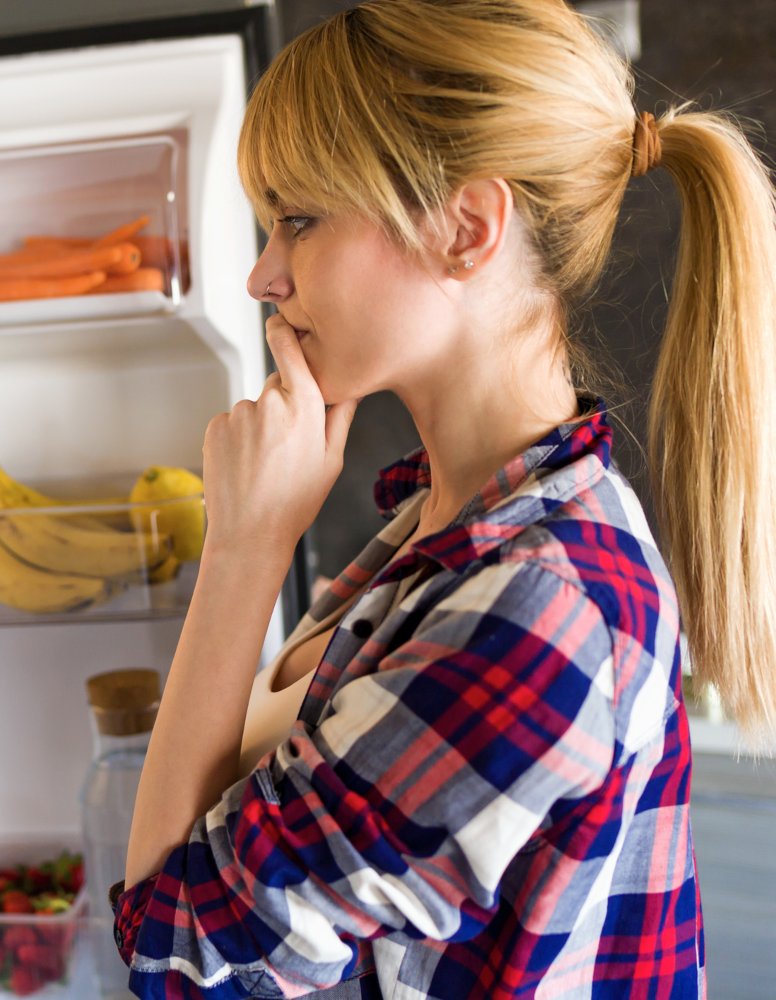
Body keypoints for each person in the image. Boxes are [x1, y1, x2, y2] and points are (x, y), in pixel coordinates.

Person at [109, 0, 776, 996]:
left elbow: (177, 953)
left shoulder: (536, 610)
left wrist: (245, 551)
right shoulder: (444, 534)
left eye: (297, 219)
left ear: (467, 227)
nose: (261, 275)